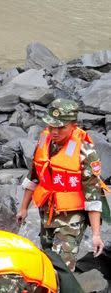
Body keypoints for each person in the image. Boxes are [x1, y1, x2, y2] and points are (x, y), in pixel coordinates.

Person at [16, 98, 109, 271]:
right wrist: (23, 208)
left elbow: (93, 195)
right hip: (47, 212)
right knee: (47, 258)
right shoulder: (44, 141)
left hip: (71, 217)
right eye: (51, 126)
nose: (55, 131)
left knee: (63, 266)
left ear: (73, 125)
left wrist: (96, 234)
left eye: (61, 127)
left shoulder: (85, 152)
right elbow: (34, 177)